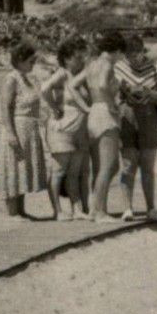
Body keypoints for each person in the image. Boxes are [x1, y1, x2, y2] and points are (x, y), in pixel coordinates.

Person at [66, 32, 125, 222]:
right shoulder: (107, 64)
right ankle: (99, 212)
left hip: (93, 114)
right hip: (106, 113)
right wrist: (112, 105)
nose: (121, 58)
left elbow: (73, 85)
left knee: (100, 166)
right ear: (116, 51)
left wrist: (86, 107)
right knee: (109, 165)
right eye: (120, 54)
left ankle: (97, 208)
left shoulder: (91, 64)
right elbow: (101, 85)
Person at [0, 40, 50, 219]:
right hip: (16, 127)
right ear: (19, 59)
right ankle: (12, 212)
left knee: (22, 169)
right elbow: (5, 107)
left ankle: (21, 210)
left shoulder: (27, 79)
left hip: (29, 129)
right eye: (30, 61)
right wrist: (10, 132)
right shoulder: (11, 79)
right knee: (13, 168)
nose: (33, 64)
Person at [113, 34, 157, 221]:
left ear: (143, 51)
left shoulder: (156, 67)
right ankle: (127, 208)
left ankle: (151, 208)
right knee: (128, 165)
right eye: (130, 56)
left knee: (148, 166)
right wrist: (124, 91)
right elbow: (112, 94)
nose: (134, 59)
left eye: (138, 54)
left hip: (149, 117)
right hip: (126, 116)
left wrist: (149, 93)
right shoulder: (118, 67)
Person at [41, 37, 91, 221]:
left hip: (80, 129)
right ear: (68, 58)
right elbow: (44, 88)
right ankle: (58, 210)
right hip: (62, 128)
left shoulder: (81, 76)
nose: (82, 61)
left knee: (75, 172)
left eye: (83, 57)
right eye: (78, 58)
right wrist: (54, 106)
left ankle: (77, 209)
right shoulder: (62, 73)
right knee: (58, 170)